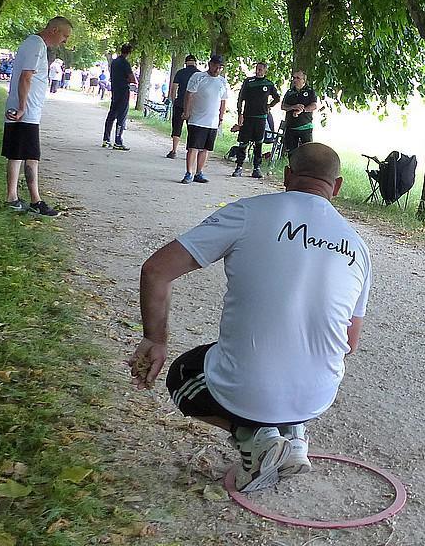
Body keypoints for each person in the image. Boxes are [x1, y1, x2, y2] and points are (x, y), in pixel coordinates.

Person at [128, 143, 372, 492]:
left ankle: (255, 436)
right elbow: (349, 343)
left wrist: (155, 340)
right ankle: (293, 434)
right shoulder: (357, 246)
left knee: (184, 377)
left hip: (252, 389)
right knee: (293, 355)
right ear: (336, 187)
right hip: (316, 396)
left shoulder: (248, 213)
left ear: (287, 176)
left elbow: (156, 270)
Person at [1, 16, 73, 216]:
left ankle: (13, 197)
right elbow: (26, 77)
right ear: (54, 30)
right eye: (65, 35)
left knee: (18, 154)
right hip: (26, 111)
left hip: (27, 110)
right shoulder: (35, 45)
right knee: (31, 156)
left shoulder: (34, 44)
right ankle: (34, 200)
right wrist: (23, 107)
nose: (65, 40)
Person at [180, 54, 228, 184]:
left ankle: (199, 172)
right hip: (197, 119)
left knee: (206, 149)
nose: (218, 69)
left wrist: (221, 117)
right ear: (210, 64)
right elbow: (189, 95)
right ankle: (189, 172)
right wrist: (187, 111)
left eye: (220, 67)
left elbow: (223, 101)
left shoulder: (222, 81)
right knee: (193, 147)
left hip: (212, 121)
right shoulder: (198, 77)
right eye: (216, 66)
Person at [231, 61, 280, 179]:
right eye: (257, 69)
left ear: (265, 71)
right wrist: (240, 114)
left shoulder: (268, 84)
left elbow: (277, 98)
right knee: (243, 142)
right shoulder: (249, 82)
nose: (258, 71)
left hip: (261, 118)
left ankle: (256, 168)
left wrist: (269, 106)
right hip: (248, 116)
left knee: (259, 143)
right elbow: (240, 98)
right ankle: (239, 166)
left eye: (261, 70)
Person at [102, 45, 136, 150]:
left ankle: (106, 139)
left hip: (115, 91)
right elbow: (132, 79)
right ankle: (118, 140)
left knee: (111, 115)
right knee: (121, 117)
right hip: (123, 92)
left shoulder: (114, 62)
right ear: (129, 53)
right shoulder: (125, 63)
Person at [166, 54, 200, 159]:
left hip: (180, 103)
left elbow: (174, 88)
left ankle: (174, 150)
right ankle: (190, 151)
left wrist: (173, 100)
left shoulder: (180, 73)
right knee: (192, 128)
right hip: (194, 106)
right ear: (195, 62)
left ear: (185, 63)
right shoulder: (199, 74)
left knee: (177, 127)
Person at [281, 70, 318, 155]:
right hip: (291, 127)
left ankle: (307, 168)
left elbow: (314, 106)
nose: (295, 80)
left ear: (303, 80)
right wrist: (292, 107)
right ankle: (293, 168)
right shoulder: (289, 92)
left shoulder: (310, 91)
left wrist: (303, 109)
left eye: (298, 78)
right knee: (291, 152)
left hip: (305, 127)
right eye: (294, 78)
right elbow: (283, 106)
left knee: (307, 152)